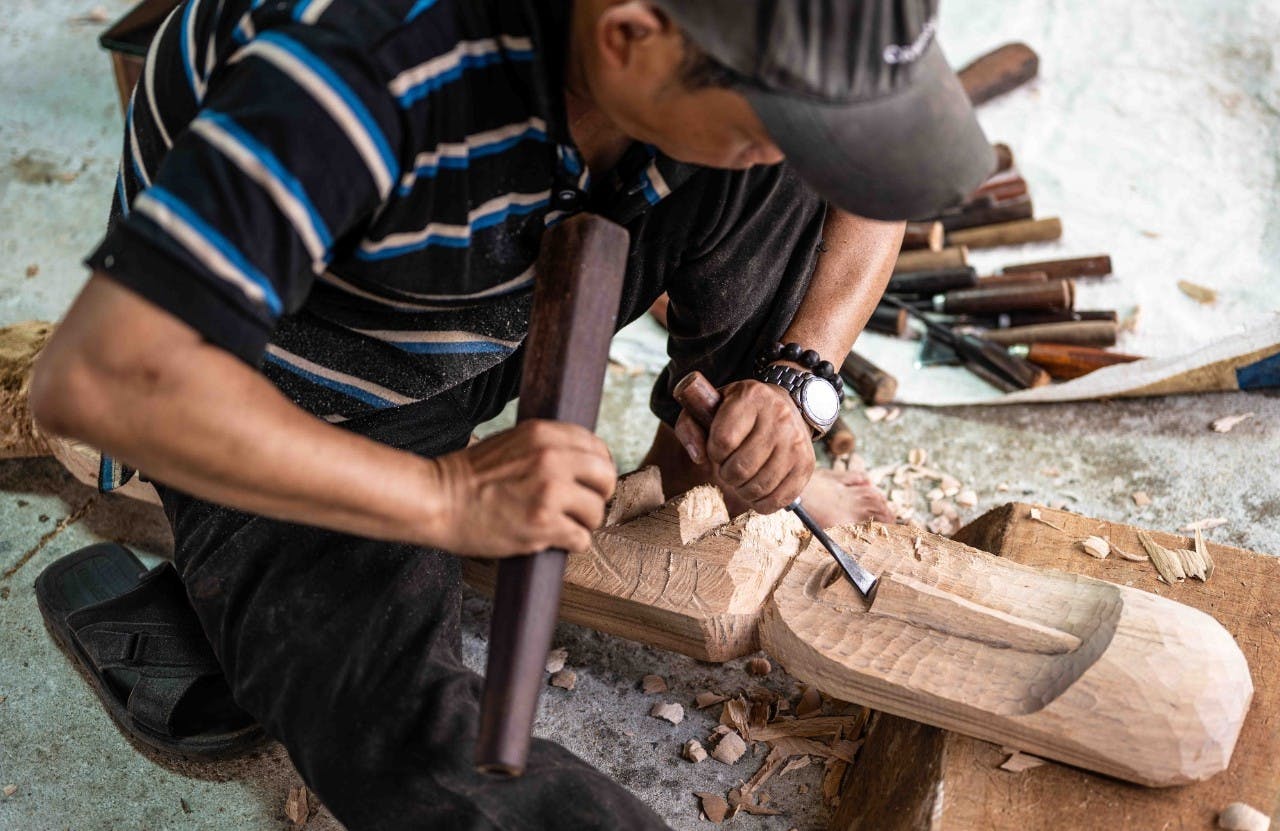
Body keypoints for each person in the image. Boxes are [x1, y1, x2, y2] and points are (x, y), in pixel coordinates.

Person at [30, 0, 991, 827]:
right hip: (300, 383)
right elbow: (99, 381)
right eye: (774, 123)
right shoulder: (353, 65)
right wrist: (441, 498)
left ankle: (693, 473)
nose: (794, 151)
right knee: (405, 727)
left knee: (765, 164)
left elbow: (867, 187)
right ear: (630, 38)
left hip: (522, 266)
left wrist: (796, 381)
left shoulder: (746, 43)